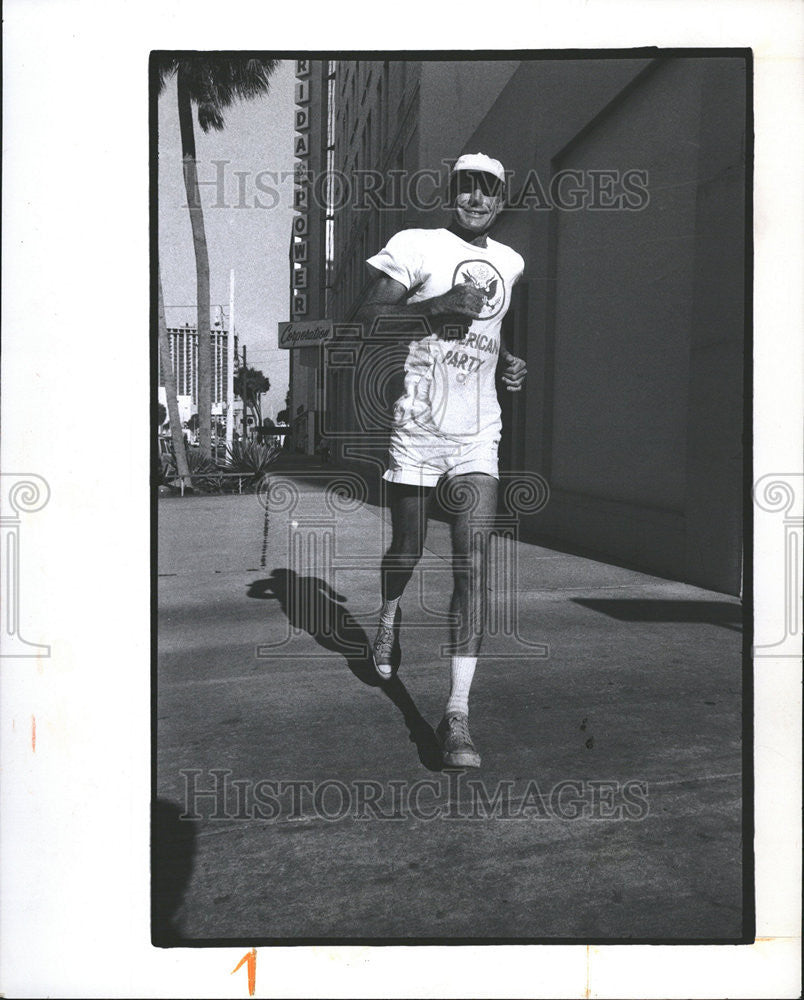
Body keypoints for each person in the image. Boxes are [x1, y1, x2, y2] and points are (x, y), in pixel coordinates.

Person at [356, 153, 527, 768]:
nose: (476, 199)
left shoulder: (510, 262)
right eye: (467, 188)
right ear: (451, 192)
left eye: (488, 191)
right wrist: (433, 307)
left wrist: (508, 364)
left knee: (472, 562)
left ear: (501, 199)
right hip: (417, 428)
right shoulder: (416, 245)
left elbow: (493, 333)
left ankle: (456, 715)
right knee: (406, 548)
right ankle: (390, 612)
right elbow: (367, 320)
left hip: (478, 434)